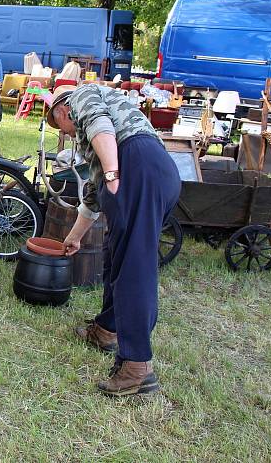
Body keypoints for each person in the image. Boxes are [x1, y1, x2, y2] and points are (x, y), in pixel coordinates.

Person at [44, 83, 181, 397]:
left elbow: (99, 125)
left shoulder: (81, 97)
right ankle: (107, 331)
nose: (64, 131)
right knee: (117, 254)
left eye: (59, 124)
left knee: (134, 267)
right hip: (153, 169)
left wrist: (112, 174)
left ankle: (137, 366)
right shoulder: (99, 145)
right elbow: (93, 197)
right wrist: (74, 237)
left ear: (63, 109)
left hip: (137, 167)